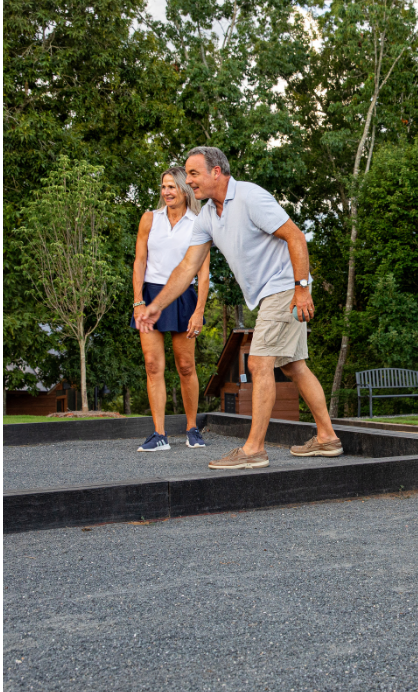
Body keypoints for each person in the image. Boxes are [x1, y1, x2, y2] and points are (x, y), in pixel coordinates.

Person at [134, 146, 343, 469]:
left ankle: (253, 450)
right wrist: (155, 305)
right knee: (293, 365)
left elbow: (296, 237)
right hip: (272, 292)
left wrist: (302, 289)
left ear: (216, 172)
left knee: (259, 363)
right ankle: (327, 437)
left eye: (193, 174)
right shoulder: (206, 216)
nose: (188, 182)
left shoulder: (249, 197)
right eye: (186, 176)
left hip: (285, 286)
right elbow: (187, 268)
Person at [130, 168, 211, 452]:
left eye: (172, 187)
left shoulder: (199, 223)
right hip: (150, 295)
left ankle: (192, 429)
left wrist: (199, 310)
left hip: (183, 297)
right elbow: (139, 261)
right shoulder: (149, 219)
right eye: (163, 187)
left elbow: (203, 272)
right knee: (153, 366)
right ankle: (159, 434)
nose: (166, 192)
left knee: (186, 366)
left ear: (184, 190)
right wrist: (138, 300)